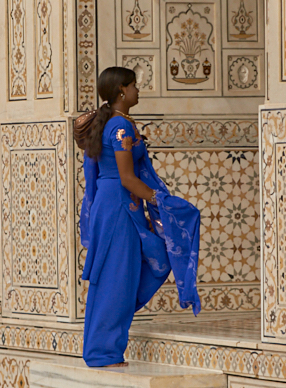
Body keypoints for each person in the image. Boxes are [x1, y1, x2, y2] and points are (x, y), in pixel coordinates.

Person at [75, 66, 201, 368]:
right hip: (120, 205)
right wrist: (162, 200)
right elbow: (127, 177)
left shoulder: (116, 123)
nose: (137, 90)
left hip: (116, 203)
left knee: (138, 266)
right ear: (121, 90)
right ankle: (103, 351)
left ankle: (110, 322)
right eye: (133, 85)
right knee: (118, 275)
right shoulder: (120, 128)